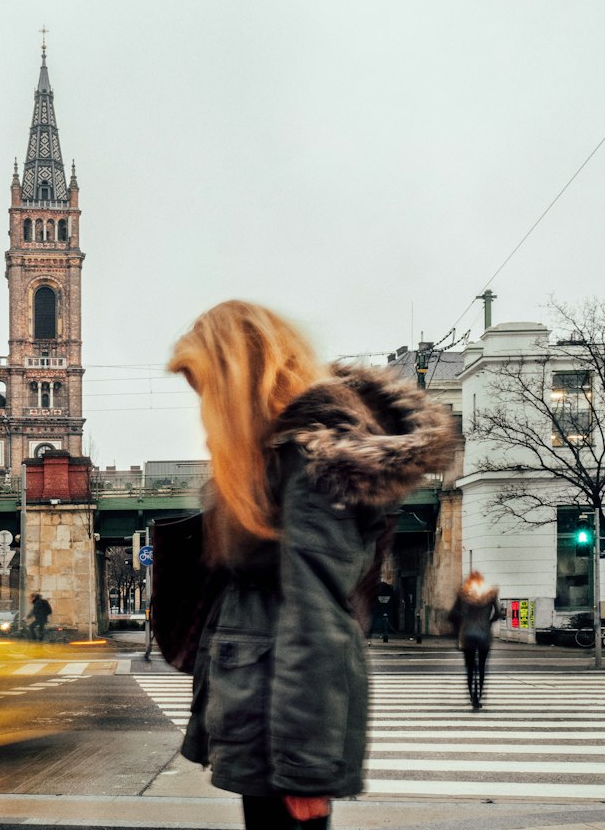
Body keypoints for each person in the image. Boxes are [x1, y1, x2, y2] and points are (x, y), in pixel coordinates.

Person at [167, 301, 455, 830]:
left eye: (208, 391)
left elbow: (317, 620)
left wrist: (305, 773)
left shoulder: (308, 466)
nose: (206, 410)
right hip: (265, 721)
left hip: (282, 736)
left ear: (238, 384)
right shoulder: (278, 459)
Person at [449, 571, 499, 710]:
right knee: (482, 667)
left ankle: (472, 696)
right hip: (484, 634)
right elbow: (498, 613)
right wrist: (487, 623)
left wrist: (462, 621)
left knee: (470, 668)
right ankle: (480, 695)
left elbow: (453, 613)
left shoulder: (463, 594)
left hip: (468, 634)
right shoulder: (490, 594)